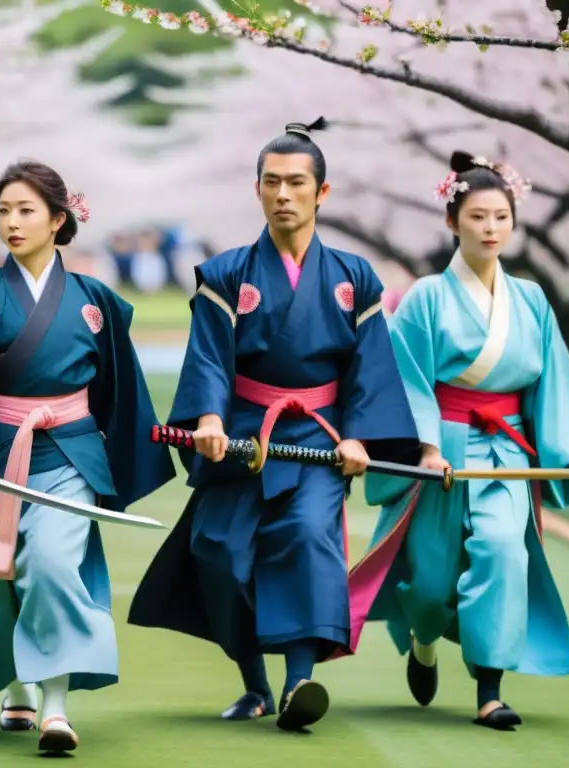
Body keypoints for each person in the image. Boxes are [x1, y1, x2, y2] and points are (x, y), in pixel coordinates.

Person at [128, 119, 421, 732]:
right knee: (220, 553)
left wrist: (361, 438)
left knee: (309, 539)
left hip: (320, 434)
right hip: (240, 435)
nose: (283, 194)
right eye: (271, 182)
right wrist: (206, 418)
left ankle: (299, 685)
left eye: (296, 183)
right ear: (256, 190)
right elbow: (207, 357)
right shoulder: (227, 273)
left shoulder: (354, 277)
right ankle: (254, 685)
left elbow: (371, 366)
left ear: (323, 192)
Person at [0, 160, 175, 753]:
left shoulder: (93, 300)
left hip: (70, 457)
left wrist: (123, 451)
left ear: (59, 219)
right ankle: (16, 687)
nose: (12, 222)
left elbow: (119, 388)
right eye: (3, 210)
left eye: (26, 210)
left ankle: (55, 706)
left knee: (52, 564)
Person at [358, 151, 569, 730]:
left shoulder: (532, 299)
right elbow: (407, 379)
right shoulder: (424, 297)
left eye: (501, 217)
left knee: (502, 551)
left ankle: (489, 690)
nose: (491, 228)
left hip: (508, 452)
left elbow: (552, 381)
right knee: (430, 581)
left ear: (514, 222)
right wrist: (425, 448)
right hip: (442, 446)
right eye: (478, 217)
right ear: (452, 222)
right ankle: (422, 640)